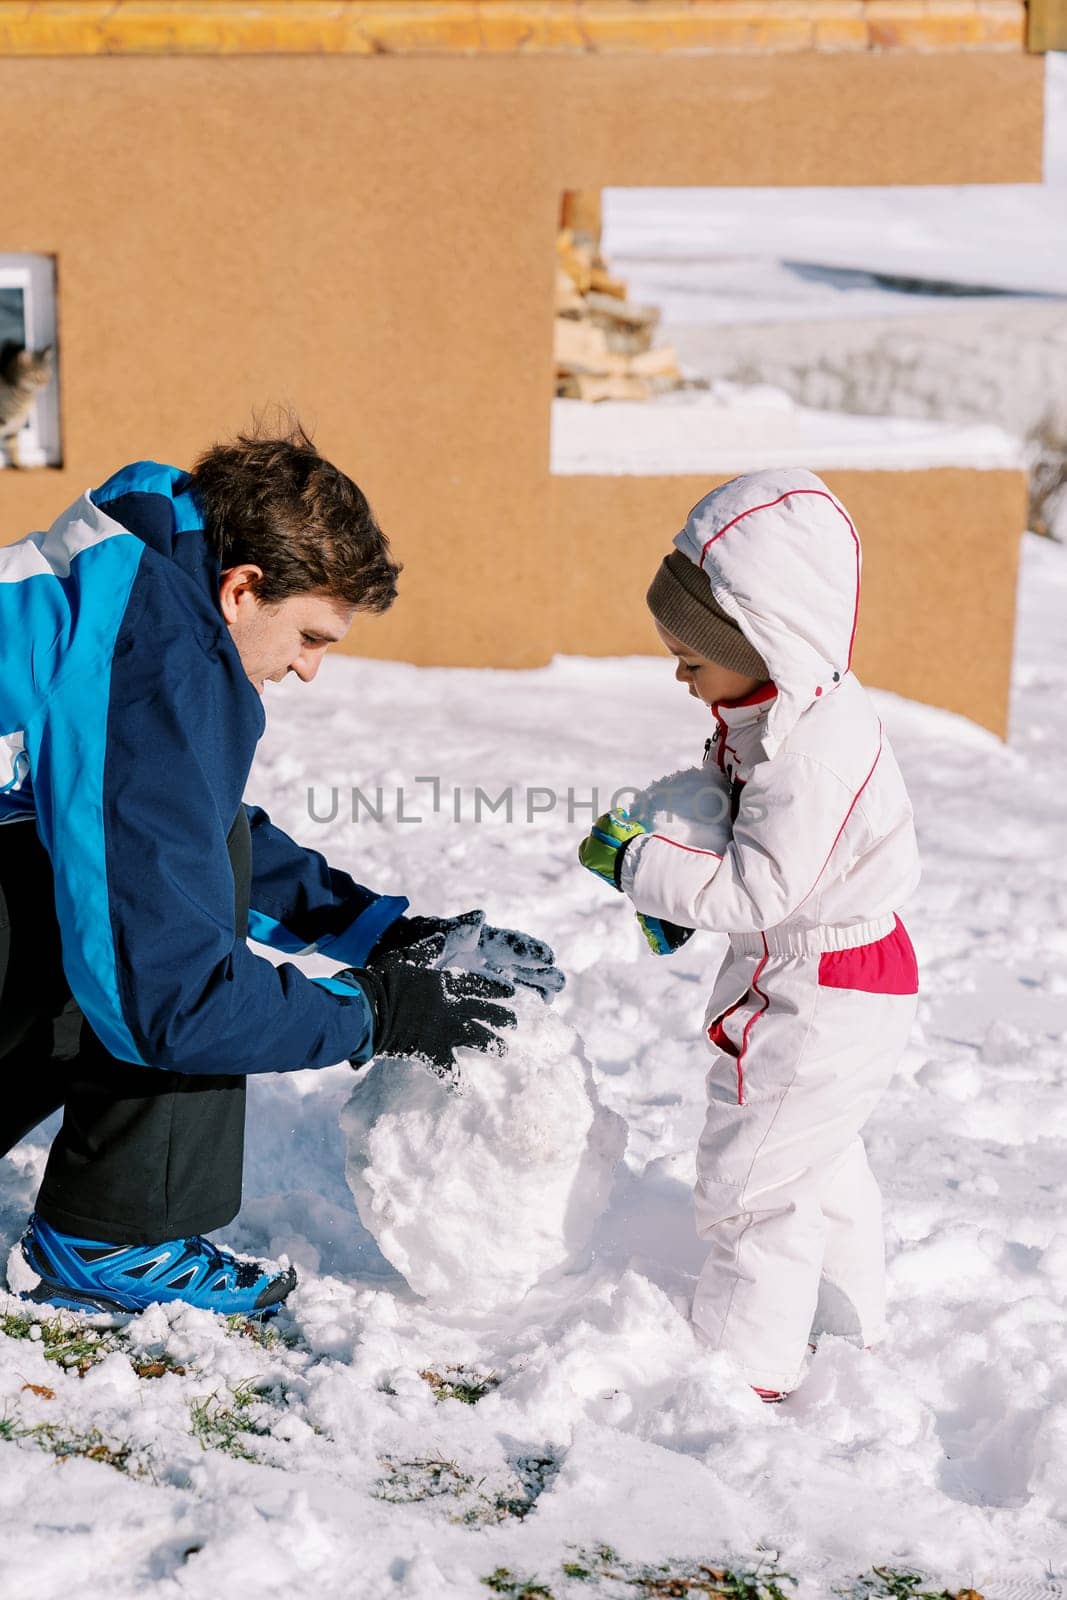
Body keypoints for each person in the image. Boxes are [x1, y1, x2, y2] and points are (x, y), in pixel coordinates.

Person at [0, 422, 561, 1319]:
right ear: (242, 589)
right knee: (152, 942)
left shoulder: (126, 593)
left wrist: (388, 935)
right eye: (309, 635)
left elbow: (165, 824)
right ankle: (114, 1235)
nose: (307, 669)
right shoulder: (154, 665)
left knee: (141, 887)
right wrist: (383, 1014)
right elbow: (176, 996)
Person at [579, 467, 920, 1401]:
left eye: (691, 657)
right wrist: (684, 845)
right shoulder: (780, 713)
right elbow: (739, 835)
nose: (678, 675)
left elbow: (758, 890)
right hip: (846, 972)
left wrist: (636, 863)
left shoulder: (808, 749)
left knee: (751, 1183)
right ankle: (848, 1327)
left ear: (759, 637)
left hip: (816, 986)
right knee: (813, 1154)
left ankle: (741, 1376)